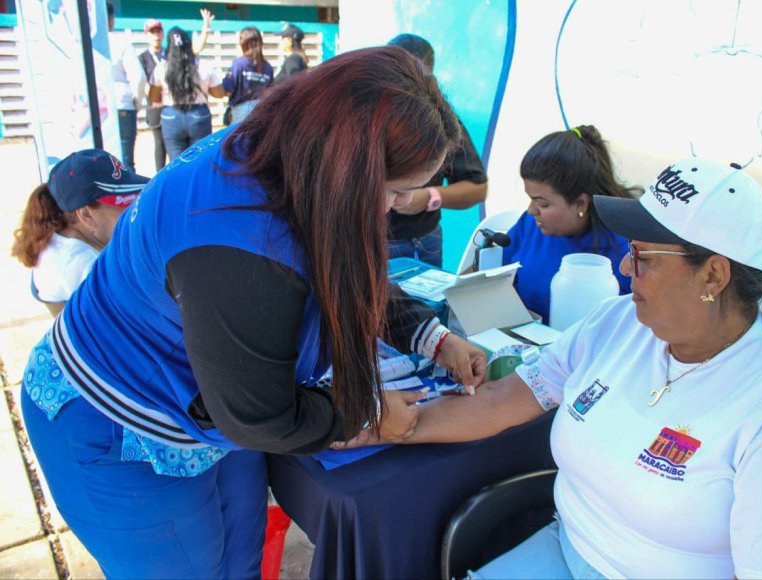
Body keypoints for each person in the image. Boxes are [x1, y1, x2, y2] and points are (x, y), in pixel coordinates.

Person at [20, 46, 486, 578]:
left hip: (207, 409)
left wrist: (434, 339)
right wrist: (369, 417)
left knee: (242, 562)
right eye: (395, 192)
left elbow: (347, 272)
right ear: (349, 169)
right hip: (117, 424)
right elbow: (260, 414)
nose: (391, 209)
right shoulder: (235, 240)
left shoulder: (295, 158)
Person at [342, 158, 762, 579]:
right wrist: (375, 425)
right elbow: (507, 400)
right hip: (563, 550)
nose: (624, 267)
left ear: (715, 274)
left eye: (644, 256)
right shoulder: (618, 323)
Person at [501, 125, 639, 323]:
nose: (532, 210)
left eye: (543, 203)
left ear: (581, 203)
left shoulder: (627, 250)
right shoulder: (531, 225)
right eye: (531, 199)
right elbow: (486, 277)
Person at [386, 33, 488, 268]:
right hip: (361, 239)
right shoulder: (363, 116)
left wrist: (429, 197)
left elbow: (477, 188)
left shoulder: (441, 120)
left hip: (414, 240)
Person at [11, 149, 147, 316]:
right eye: (124, 205)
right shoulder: (87, 268)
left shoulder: (57, 236)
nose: (134, 211)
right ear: (86, 214)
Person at [149, 26, 225, 161]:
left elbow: (154, 96)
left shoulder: (161, 68)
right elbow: (219, 93)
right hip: (198, 116)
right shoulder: (204, 65)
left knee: (176, 163)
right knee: (200, 161)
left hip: (171, 116)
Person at [106, 2, 145, 170]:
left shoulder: (79, 44)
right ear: (111, 19)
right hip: (121, 104)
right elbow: (139, 77)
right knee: (124, 161)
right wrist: (136, 102)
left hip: (90, 110)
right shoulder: (120, 42)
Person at [222, 26, 273, 124]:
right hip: (261, 113)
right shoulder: (268, 67)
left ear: (243, 44)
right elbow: (270, 93)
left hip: (240, 114)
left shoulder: (238, 64)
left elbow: (228, 91)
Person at [138, 18, 167, 170]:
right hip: (155, 107)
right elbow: (142, 83)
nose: (156, 35)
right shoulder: (142, 58)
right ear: (147, 35)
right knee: (159, 144)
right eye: (152, 32)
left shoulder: (169, 54)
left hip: (172, 106)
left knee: (175, 144)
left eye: (158, 31)